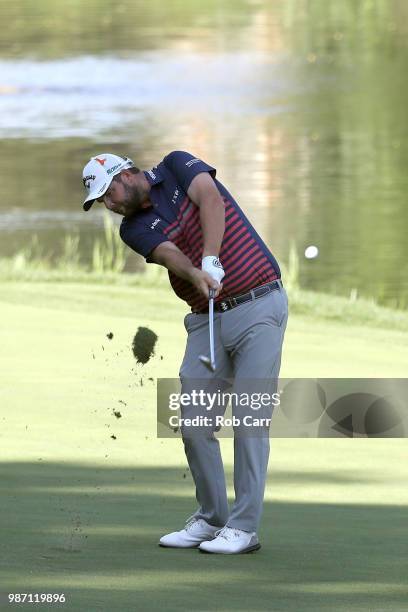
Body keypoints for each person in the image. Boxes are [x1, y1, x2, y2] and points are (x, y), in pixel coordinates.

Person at [81, 151, 288, 554]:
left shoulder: (176, 165)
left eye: (108, 192)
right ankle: (213, 519)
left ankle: (244, 529)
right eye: (101, 201)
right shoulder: (132, 228)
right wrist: (196, 273)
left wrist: (211, 256)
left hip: (260, 303)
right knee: (193, 420)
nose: (109, 204)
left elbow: (210, 199)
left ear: (125, 173)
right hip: (206, 318)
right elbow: (168, 254)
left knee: (249, 417)